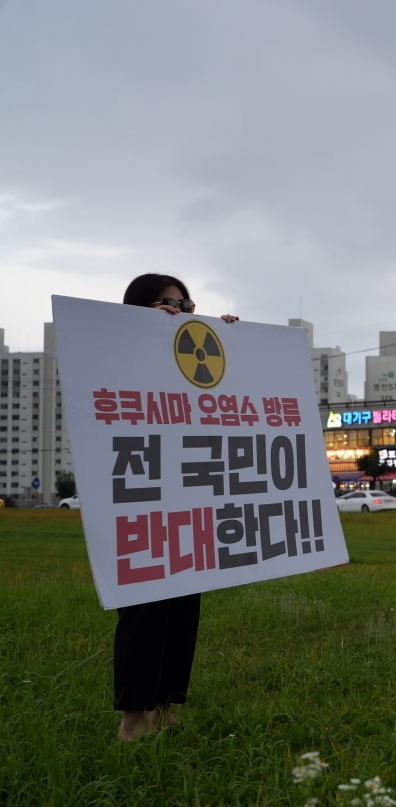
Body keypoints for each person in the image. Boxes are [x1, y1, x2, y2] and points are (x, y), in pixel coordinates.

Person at [114, 273, 238, 742]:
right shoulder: (115, 349)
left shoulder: (190, 348)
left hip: (188, 489)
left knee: (184, 600)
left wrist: (232, 341)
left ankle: (164, 705)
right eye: (164, 303)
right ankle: (132, 717)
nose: (177, 311)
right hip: (141, 490)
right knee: (145, 603)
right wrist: (143, 328)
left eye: (185, 304)